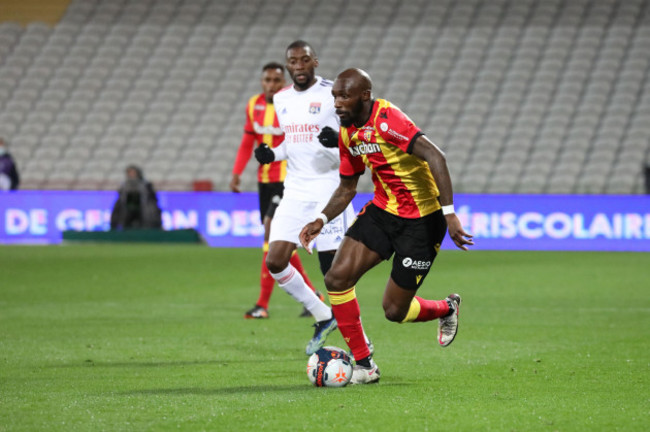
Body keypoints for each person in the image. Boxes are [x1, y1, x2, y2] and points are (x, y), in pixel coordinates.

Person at [299, 68, 474, 384]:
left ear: (364, 95)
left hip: (422, 220)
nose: (337, 102)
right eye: (335, 95)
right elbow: (347, 186)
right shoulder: (347, 131)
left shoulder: (388, 120)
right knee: (337, 277)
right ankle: (365, 365)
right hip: (383, 211)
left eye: (345, 96)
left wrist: (449, 214)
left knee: (394, 310)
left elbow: (437, 156)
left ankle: (446, 308)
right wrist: (321, 220)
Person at [254, 41, 358, 355]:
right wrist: (273, 153)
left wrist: (335, 142)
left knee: (334, 276)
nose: (298, 66)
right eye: (293, 62)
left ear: (314, 61)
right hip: (295, 190)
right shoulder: (282, 98)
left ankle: (360, 346)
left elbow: (353, 138)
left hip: (329, 192)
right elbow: (294, 141)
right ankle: (322, 314)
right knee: (275, 260)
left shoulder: (332, 93)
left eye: (304, 60)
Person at [230, 62, 322, 320]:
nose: (271, 85)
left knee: (271, 232)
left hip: (288, 179)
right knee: (282, 245)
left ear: (284, 83)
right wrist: (237, 172)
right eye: (267, 80)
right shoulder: (253, 105)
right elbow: (248, 140)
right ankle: (312, 295)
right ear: (262, 82)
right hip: (264, 180)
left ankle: (262, 304)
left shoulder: (291, 105)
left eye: (276, 81)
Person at [110, 165, 162, 230]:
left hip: (143, 209)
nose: (131, 175)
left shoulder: (146, 185)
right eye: (130, 173)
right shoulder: (124, 185)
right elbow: (120, 199)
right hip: (127, 210)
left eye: (133, 172)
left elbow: (152, 199)